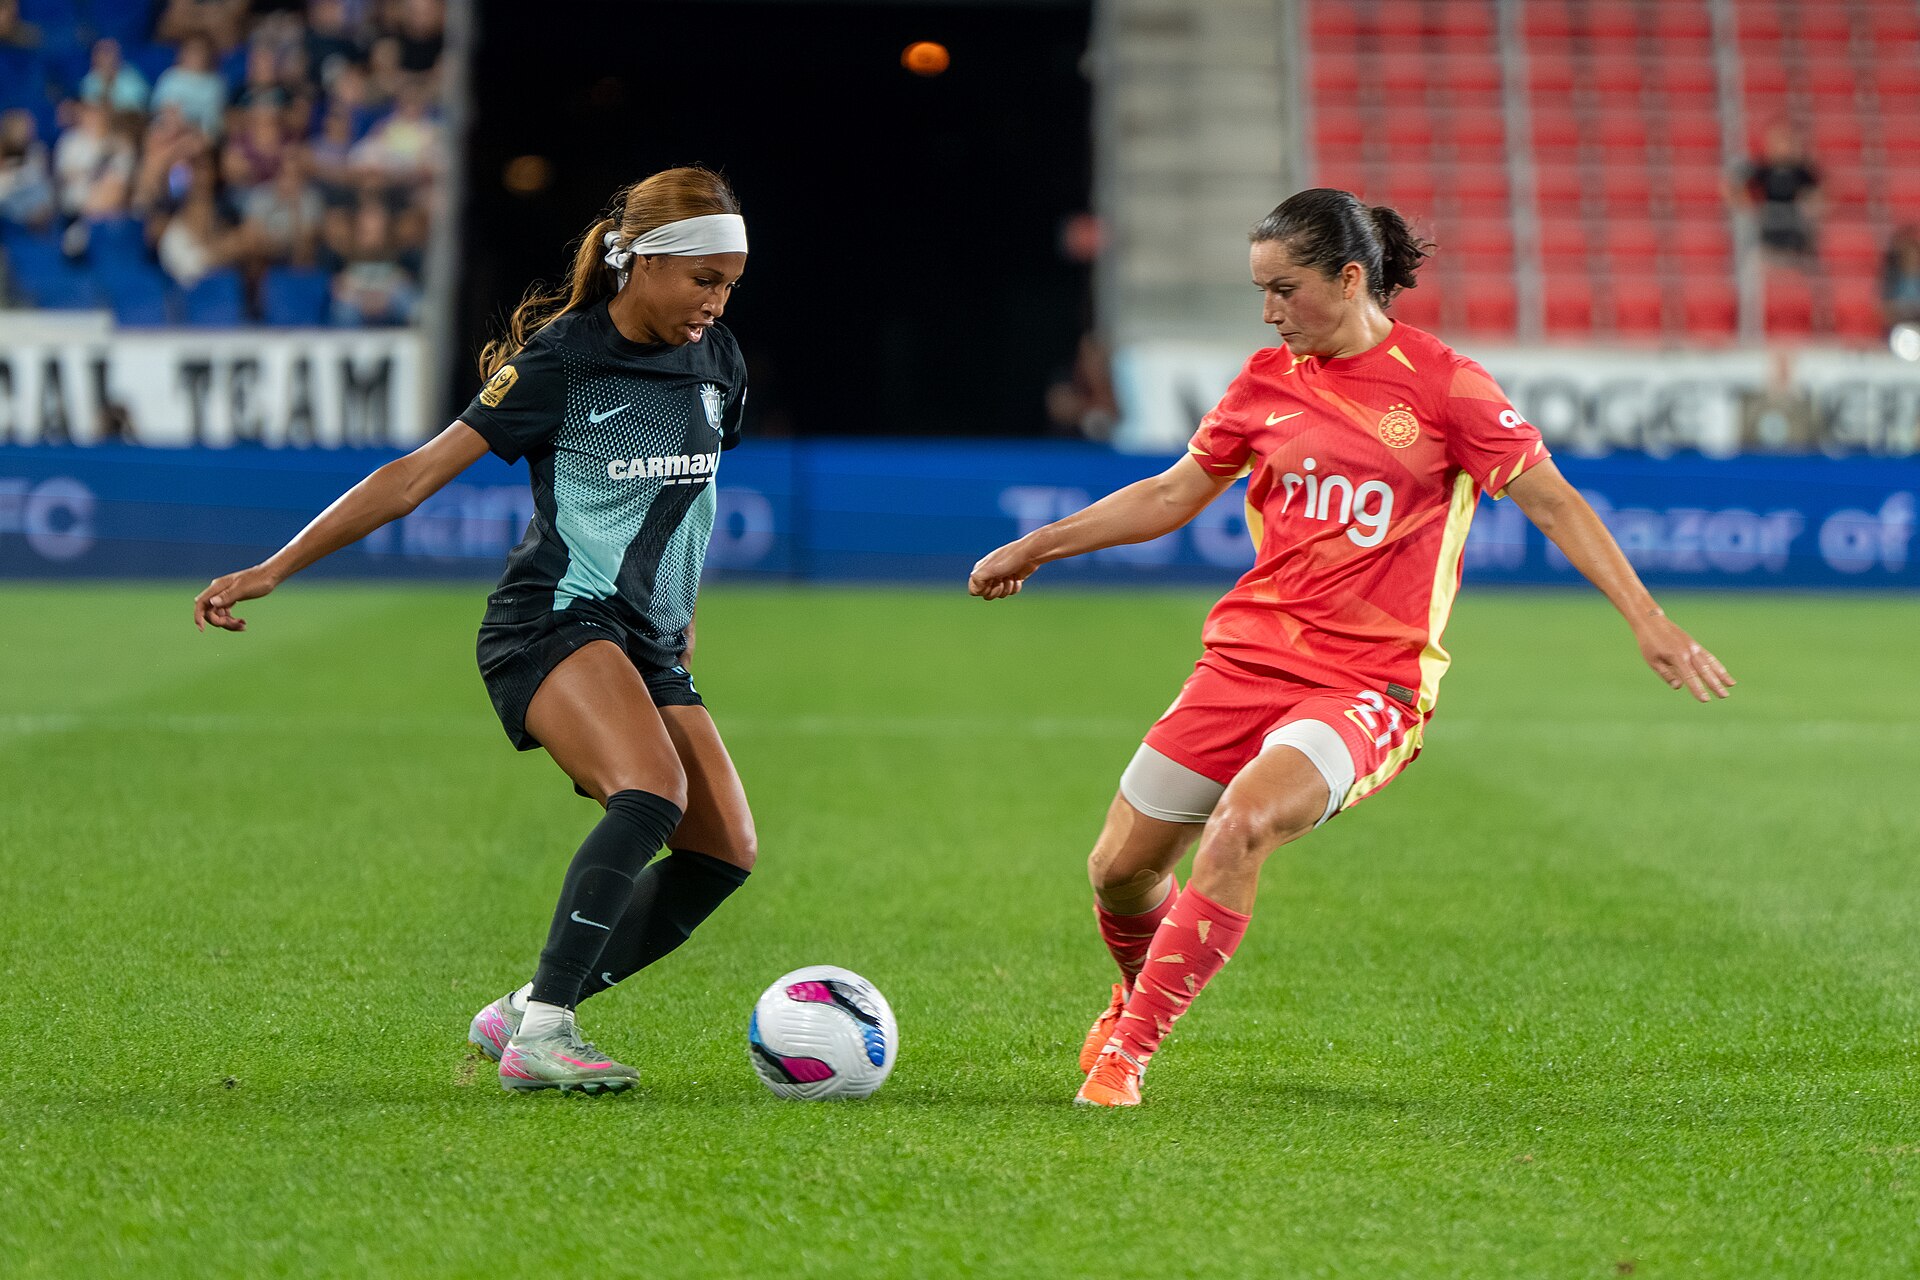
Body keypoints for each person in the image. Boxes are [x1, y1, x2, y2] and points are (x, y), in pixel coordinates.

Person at [969, 189, 1736, 1108]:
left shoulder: (1447, 386)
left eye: (1284, 289)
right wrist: (1035, 545)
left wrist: (1647, 619)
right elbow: (1172, 495)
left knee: (1243, 825)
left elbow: (1554, 501)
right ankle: (1134, 989)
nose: (1269, 311)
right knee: (1120, 871)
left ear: (1350, 277)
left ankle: (1127, 1053)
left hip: (1367, 686)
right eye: (1260, 292)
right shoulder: (1264, 384)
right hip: (1243, 663)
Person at [193, 167, 754, 1096]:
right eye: (705, 279)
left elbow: (687, 503)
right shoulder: (560, 362)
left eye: (731, 281)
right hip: (553, 618)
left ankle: (526, 1002)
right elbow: (411, 478)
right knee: (650, 791)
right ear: (642, 262)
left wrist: (679, 625)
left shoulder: (719, 361)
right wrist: (272, 569)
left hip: (647, 637)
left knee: (724, 850)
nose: (718, 300)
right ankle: (543, 1035)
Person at [1735, 122, 1822, 265]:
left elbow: (1820, 191)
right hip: (1768, 226)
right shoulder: (1763, 167)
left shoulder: (1801, 169)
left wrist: (1812, 204)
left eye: (1786, 141)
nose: (1783, 146)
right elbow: (1741, 189)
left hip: (1795, 226)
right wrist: (1751, 206)